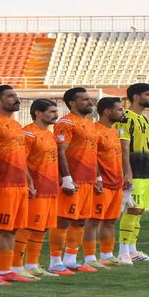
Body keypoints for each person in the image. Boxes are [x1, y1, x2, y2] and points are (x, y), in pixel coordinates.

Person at [0, 85, 35, 285]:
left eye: (16, 95)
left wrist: (29, 181)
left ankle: (5, 270)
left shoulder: (16, 125)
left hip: (19, 184)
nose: (16, 99)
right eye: (10, 96)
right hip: (1, 184)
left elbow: (21, 156)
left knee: (12, 230)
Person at [13, 99, 68, 276]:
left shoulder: (49, 134)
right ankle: (16, 266)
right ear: (38, 113)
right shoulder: (29, 134)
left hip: (50, 188)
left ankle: (32, 265)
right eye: (51, 111)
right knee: (28, 227)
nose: (55, 115)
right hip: (36, 189)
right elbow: (20, 161)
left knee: (42, 228)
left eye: (56, 111)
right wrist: (29, 183)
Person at [52, 87, 103, 271]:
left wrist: (97, 176)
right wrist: (66, 178)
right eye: (85, 99)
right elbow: (60, 151)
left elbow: (92, 152)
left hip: (88, 180)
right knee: (64, 221)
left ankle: (70, 259)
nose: (90, 102)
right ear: (72, 103)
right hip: (73, 180)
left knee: (81, 221)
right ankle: (55, 262)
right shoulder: (65, 123)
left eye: (90, 99)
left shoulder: (89, 123)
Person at [116, 83, 149, 263]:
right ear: (136, 96)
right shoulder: (126, 118)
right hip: (133, 170)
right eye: (148, 94)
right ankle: (122, 251)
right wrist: (127, 173)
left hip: (145, 171)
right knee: (132, 209)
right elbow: (123, 148)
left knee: (139, 210)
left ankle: (132, 250)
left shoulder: (144, 119)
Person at [86, 97, 127, 265]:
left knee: (110, 221)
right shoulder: (94, 131)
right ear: (107, 111)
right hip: (102, 184)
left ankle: (107, 255)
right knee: (93, 221)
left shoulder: (114, 131)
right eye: (120, 109)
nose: (123, 112)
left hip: (116, 183)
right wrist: (97, 178)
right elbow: (91, 157)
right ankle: (89, 257)